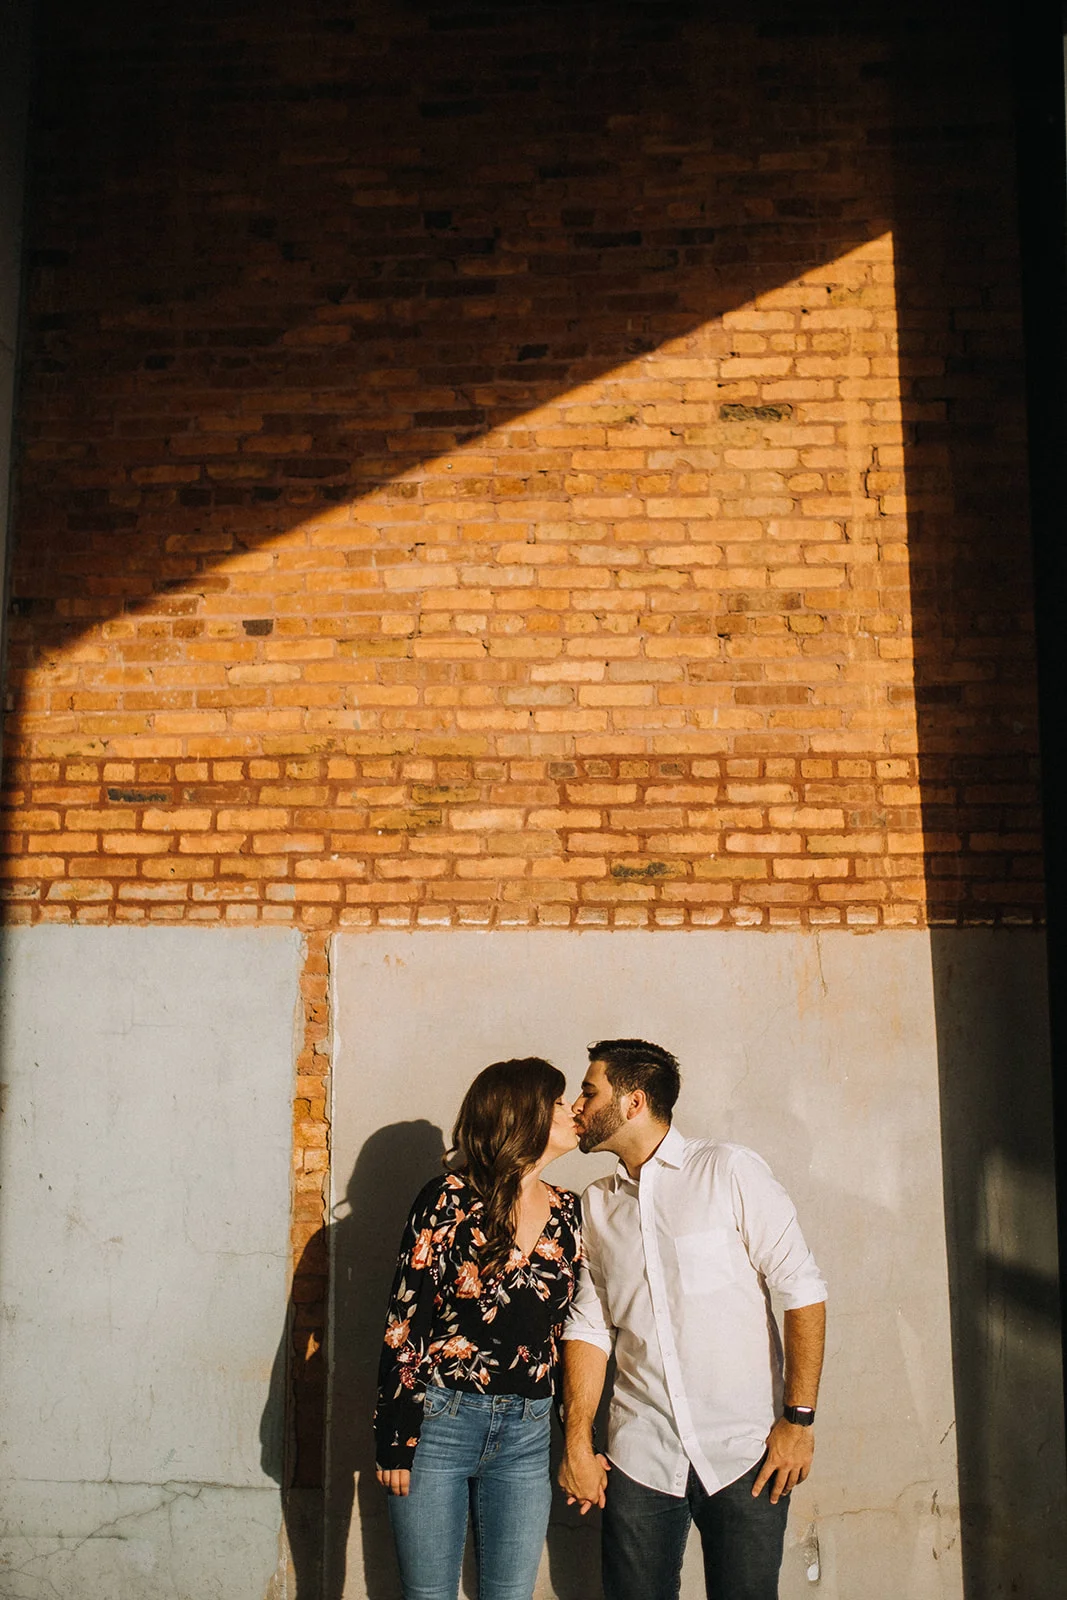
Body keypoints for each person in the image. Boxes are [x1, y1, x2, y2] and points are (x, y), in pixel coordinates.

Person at [559, 1039, 827, 1600]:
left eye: (589, 1091)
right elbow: (589, 1326)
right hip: (639, 1458)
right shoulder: (596, 1203)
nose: (576, 1107)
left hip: (746, 1454)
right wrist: (577, 1443)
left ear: (633, 1103)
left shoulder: (728, 1171)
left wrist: (797, 1423)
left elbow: (802, 1289)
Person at [375, 1057, 582, 1600]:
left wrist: (575, 1440)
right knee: (429, 1595)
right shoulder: (445, 1200)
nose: (573, 1110)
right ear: (525, 1115)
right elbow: (404, 1320)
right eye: (559, 1102)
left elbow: (573, 1332)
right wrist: (395, 1438)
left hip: (528, 1433)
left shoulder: (570, 1212)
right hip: (440, 1422)